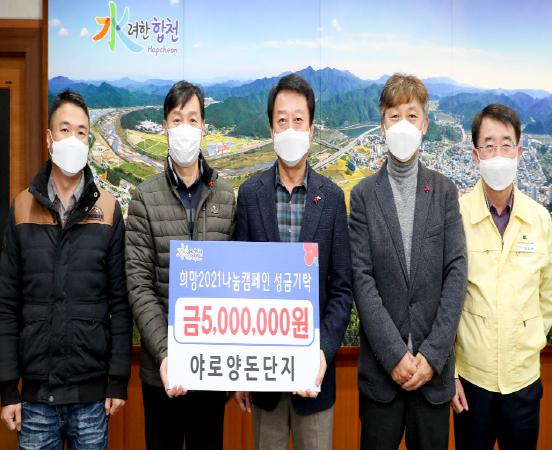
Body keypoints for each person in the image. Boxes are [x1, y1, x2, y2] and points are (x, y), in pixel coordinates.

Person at [0, 89, 132, 449]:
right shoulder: (22, 208)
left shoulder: (108, 210)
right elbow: (7, 304)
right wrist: (8, 388)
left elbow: (120, 303)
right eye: (64, 130)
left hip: (91, 399)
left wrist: (117, 379)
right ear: (49, 138)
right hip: (35, 399)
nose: (73, 139)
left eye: (81, 132)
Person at [233, 73, 353, 450]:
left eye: (298, 120)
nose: (290, 129)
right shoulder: (250, 195)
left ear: (311, 130)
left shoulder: (331, 198)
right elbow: (239, 285)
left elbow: (342, 288)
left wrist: (323, 352)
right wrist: (240, 369)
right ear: (271, 129)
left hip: (313, 378)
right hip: (263, 379)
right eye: (282, 120)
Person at [349, 73, 467, 450]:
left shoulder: (444, 191)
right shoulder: (364, 196)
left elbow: (456, 274)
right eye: (395, 116)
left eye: (412, 115)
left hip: (433, 377)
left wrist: (432, 356)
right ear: (383, 125)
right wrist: (395, 355)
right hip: (381, 378)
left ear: (425, 124)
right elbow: (362, 279)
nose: (403, 125)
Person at [125, 80, 236, 450]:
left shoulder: (225, 195)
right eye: (177, 119)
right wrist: (165, 354)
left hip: (211, 370)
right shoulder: (144, 198)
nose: (185, 128)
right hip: (162, 372)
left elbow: (235, 281)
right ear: (165, 127)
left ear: (203, 126)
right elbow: (139, 284)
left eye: (192, 119)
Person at [452, 104, 552, 450]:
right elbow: (444, 300)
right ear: (475, 155)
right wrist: (451, 373)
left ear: (519, 153)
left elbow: (547, 295)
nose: (498, 155)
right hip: (471, 381)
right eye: (489, 145)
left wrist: (529, 337)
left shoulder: (540, 219)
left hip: (523, 380)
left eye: (506, 145)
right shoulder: (456, 216)